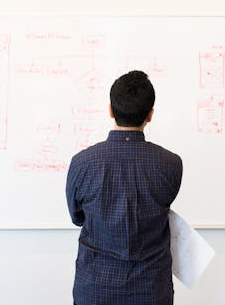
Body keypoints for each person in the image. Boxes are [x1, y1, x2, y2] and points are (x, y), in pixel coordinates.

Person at [66, 70, 183, 305]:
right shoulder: (171, 164)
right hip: (151, 290)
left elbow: (77, 217)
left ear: (110, 110)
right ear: (150, 115)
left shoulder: (83, 163)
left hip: (96, 288)